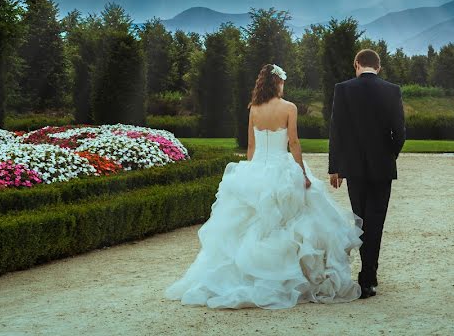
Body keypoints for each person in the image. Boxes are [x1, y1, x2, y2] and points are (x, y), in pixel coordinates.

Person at [165, 63, 363, 309]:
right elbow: (294, 142)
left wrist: (251, 174)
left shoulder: (254, 109)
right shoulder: (289, 107)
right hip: (282, 167)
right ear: (278, 82)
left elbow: (251, 146)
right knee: (296, 221)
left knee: (249, 227)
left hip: (257, 168)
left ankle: (247, 274)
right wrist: (302, 173)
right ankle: (293, 276)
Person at [328, 48, 406, 299]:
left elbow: (336, 129)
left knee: (360, 221)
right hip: (382, 167)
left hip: (354, 168)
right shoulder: (392, 90)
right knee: (376, 222)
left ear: (357, 64)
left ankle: (366, 277)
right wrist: (389, 154)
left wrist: (335, 167)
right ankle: (369, 278)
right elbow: (400, 132)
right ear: (378, 67)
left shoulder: (343, 89)